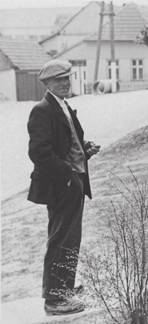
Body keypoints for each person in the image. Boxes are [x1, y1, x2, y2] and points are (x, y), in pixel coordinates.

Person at [28, 59, 100, 316]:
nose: (65, 83)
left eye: (67, 78)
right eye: (59, 79)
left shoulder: (64, 105)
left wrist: (85, 150)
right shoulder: (43, 109)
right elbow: (39, 152)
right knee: (61, 238)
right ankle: (55, 300)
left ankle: (64, 288)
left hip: (74, 181)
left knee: (71, 238)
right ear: (47, 83)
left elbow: (66, 144)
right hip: (63, 185)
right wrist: (68, 176)